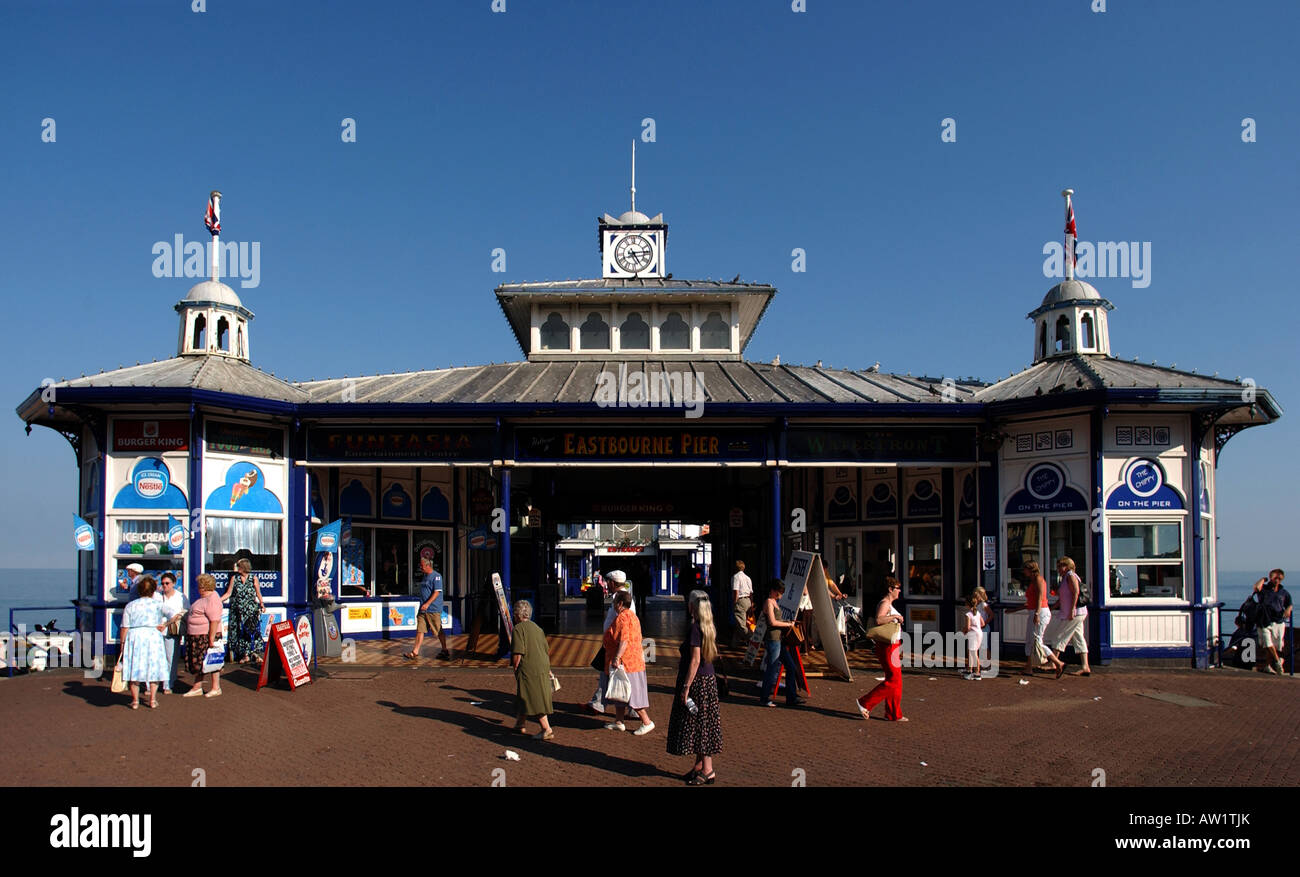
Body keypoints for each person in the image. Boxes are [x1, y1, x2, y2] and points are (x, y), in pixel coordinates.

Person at [666, 591, 722, 785]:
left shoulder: (694, 629)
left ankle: (708, 769)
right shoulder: (708, 626)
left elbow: (695, 660)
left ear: (692, 606)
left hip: (698, 682)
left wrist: (686, 687)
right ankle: (699, 765)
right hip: (709, 680)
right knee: (703, 722)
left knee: (700, 725)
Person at [856, 577, 908, 721]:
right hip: (887, 646)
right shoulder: (885, 603)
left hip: (892, 645)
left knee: (895, 680)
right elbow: (879, 619)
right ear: (890, 589)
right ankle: (865, 702)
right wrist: (895, 617)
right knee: (893, 680)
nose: (899, 591)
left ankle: (893, 714)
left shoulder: (889, 603)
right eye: (897, 588)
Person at [604, 591, 654, 734]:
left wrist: (616, 657)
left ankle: (647, 721)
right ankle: (619, 721)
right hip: (635, 660)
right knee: (620, 692)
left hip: (627, 663)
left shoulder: (623, 618)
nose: (613, 606)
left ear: (620, 604)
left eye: (614, 603)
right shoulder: (633, 616)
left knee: (631, 693)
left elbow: (624, 640)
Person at [118, 575, 169, 709]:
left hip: (135, 636)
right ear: (153, 591)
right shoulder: (158, 604)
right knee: (153, 667)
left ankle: (135, 701)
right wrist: (165, 624)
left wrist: (122, 644)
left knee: (134, 667)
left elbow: (125, 626)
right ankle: (152, 700)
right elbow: (176, 613)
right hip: (153, 636)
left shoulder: (130, 605)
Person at [588, 570, 634, 714]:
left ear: (613, 583)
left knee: (616, 675)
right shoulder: (622, 596)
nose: (607, 584)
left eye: (608, 581)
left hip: (616, 645)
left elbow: (623, 624)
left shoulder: (621, 599)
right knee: (606, 673)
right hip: (612, 643)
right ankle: (598, 703)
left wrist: (618, 652)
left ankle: (634, 708)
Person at [509, 600, 555, 740]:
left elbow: (518, 653)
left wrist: (515, 668)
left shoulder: (518, 629)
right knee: (525, 695)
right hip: (542, 665)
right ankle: (520, 723)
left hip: (528, 667)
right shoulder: (537, 628)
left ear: (517, 614)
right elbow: (545, 649)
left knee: (532, 696)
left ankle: (546, 729)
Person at [1012, 561, 1065, 679]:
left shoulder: (1038, 580)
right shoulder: (1033, 580)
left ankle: (1058, 663)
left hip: (1040, 612)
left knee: (1037, 641)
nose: (1024, 572)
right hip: (1035, 612)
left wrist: (1037, 613)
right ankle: (1029, 668)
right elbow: (1032, 599)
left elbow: (1041, 597)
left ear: (1030, 569)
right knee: (1031, 641)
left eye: (1025, 569)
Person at [759, 580, 805, 708]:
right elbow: (772, 622)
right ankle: (764, 698)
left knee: (790, 667)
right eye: (779, 593)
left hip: (779, 639)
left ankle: (791, 697)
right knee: (772, 669)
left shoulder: (774, 602)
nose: (780, 595)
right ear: (773, 591)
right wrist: (787, 624)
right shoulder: (769, 602)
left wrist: (786, 622)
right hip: (773, 639)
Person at [183, 574, 226, 698]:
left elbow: (214, 620)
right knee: (199, 663)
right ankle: (197, 687)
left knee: (211, 662)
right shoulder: (203, 598)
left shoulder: (212, 598)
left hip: (205, 636)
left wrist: (211, 639)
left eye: (199, 585)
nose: (198, 587)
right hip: (196, 637)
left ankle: (215, 687)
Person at [1049, 556, 1092, 676]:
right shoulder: (1065, 578)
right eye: (1058, 566)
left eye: (1061, 566)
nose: (1058, 568)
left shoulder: (1070, 576)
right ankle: (1085, 666)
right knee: (1078, 638)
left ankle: (1054, 663)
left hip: (1074, 614)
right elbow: (1063, 598)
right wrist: (1051, 608)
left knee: (1060, 636)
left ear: (1067, 566)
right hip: (1077, 613)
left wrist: (1072, 609)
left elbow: (1076, 592)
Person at [219, 558, 265, 665]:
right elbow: (229, 593)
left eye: (238, 566)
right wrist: (218, 600)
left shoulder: (254, 578)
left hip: (251, 610)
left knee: (253, 631)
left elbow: (258, 593)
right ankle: (245, 655)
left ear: (243, 568)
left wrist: (262, 603)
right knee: (240, 632)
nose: (236, 568)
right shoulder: (234, 578)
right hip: (238, 610)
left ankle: (254, 653)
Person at [406, 556, 450, 661]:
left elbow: (437, 592)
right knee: (420, 630)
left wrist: (428, 604)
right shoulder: (425, 576)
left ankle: (445, 649)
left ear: (428, 565)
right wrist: (423, 605)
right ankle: (415, 652)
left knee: (438, 630)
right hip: (423, 609)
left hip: (433, 609)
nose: (420, 568)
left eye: (422, 566)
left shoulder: (436, 577)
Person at [154, 572, 188, 693]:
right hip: (157, 631)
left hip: (172, 630)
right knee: (156, 658)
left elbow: (185, 611)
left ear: (173, 583)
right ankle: (153, 684)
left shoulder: (180, 596)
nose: (165, 586)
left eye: (167, 583)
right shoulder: (156, 596)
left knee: (171, 658)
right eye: (162, 583)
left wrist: (171, 621)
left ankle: (168, 684)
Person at [1254, 569, 1292, 675]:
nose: (1277, 580)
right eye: (1275, 578)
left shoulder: (1283, 592)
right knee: (1268, 643)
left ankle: (1267, 666)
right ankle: (1277, 662)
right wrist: (1263, 579)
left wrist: (1288, 609)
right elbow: (1256, 587)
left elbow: (1289, 603)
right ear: (1271, 578)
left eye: (1279, 578)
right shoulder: (1264, 589)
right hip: (1264, 621)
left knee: (1277, 645)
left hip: (1278, 622)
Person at [962, 593, 984, 680]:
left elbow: (967, 627)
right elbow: (982, 623)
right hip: (979, 633)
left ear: (967, 604)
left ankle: (977, 672)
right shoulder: (977, 613)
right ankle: (969, 669)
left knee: (973, 653)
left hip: (973, 634)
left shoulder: (968, 614)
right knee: (972, 652)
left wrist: (963, 631)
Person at [731, 560, 753, 646]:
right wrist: (751, 604)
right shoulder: (748, 578)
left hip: (740, 601)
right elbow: (751, 593)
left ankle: (753, 639)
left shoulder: (736, 577)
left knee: (741, 625)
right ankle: (734, 643)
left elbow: (736, 591)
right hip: (748, 601)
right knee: (741, 622)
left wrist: (735, 602)